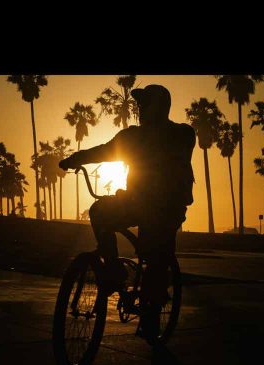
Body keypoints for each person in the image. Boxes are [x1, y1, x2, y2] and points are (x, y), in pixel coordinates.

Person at [59, 84, 196, 341]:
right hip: (137, 202)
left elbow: (168, 156)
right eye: (140, 105)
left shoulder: (181, 134)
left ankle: (151, 314)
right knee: (100, 210)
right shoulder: (134, 136)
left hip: (166, 208)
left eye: (146, 104)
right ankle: (112, 269)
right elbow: (103, 151)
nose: (141, 110)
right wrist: (75, 159)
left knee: (155, 255)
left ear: (162, 108)